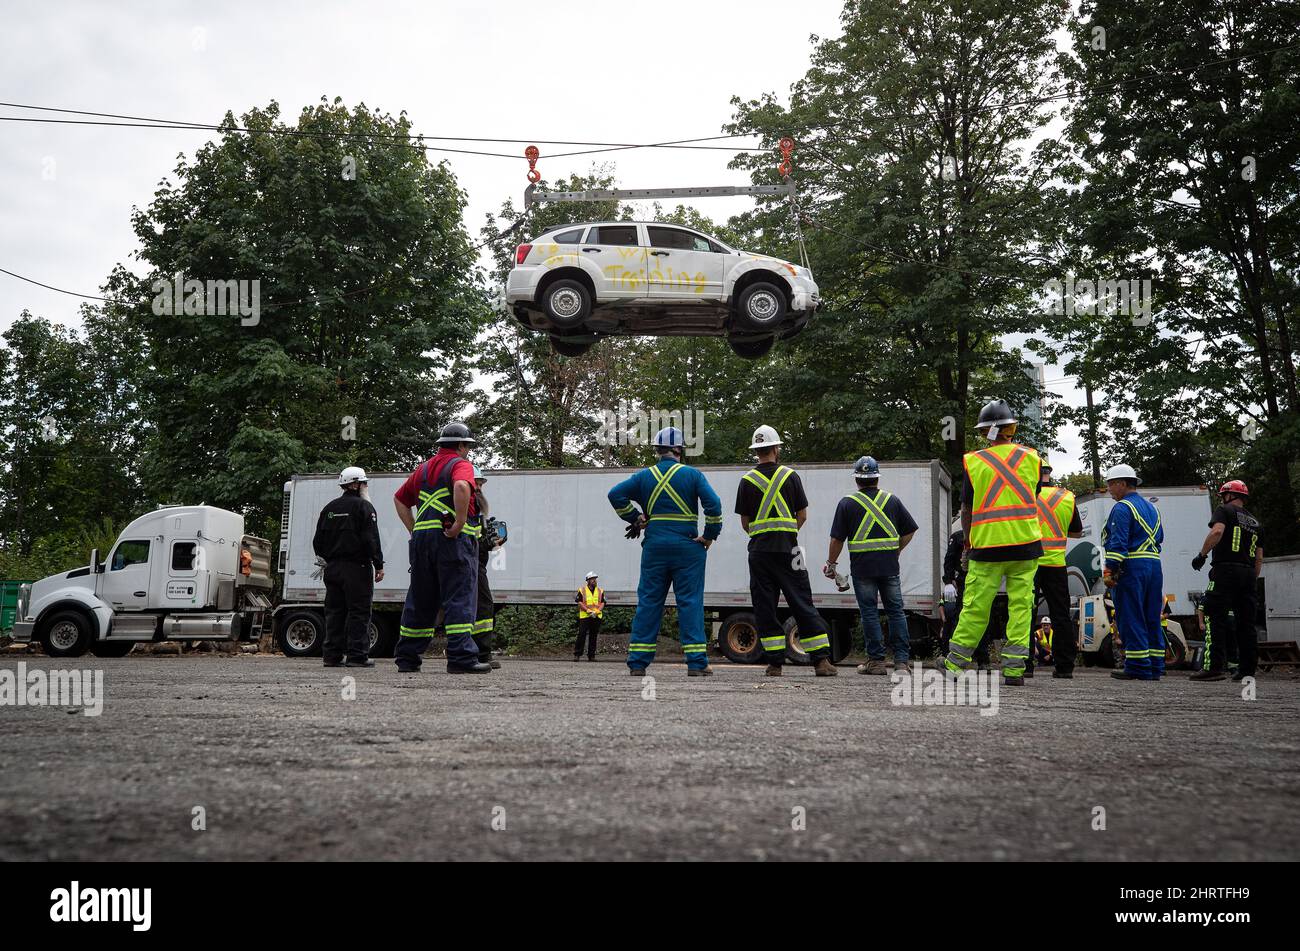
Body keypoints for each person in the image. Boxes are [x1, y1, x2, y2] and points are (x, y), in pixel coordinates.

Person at [608, 427, 722, 677]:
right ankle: (696, 663)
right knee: (690, 602)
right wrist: (710, 535)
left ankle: (637, 662)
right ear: (679, 449)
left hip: (655, 548)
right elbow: (714, 505)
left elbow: (615, 495)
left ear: (658, 450)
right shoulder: (693, 475)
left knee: (649, 601)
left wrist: (635, 517)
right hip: (688, 547)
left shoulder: (644, 476)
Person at [943, 400, 1042, 686]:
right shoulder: (1032, 458)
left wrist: (967, 545)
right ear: (1011, 429)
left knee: (976, 606)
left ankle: (955, 664)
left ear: (986, 430)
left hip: (987, 548)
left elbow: (966, 511)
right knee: (1022, 607)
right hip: (1026, 545)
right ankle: (1014, 670)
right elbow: (1030, 496)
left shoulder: (975, 462)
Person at [738, 425, 836, 677]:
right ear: (776, 448)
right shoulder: (791, 477)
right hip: (792, 550)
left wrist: (764, 535)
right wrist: (786, 532)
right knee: (802, 601)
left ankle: (774, 664)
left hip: (759, 552)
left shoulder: (746, 481)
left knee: (765, 606)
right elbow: (802, 515)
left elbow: (745, 523)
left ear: (757, 450)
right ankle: (821, 662)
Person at [392, 422, 490, 675]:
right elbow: (460, 487)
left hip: (422, 542)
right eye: (467, 447)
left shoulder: (423, 469)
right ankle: (461, 658)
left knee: (421, 598)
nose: (468, 451)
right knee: (459, 597)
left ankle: (407, 658)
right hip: (452, 543)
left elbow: (400, 499)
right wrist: (458, 523)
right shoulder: (460, 465)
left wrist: (414, 529)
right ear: (460, 445)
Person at [824, 455, 917, 675]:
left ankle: (875, 662)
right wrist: (895, 550)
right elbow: (910, 530)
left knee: (869, 613)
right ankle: (902, 663)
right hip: (889, 567)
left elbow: (837, 539)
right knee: (896, 612)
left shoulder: (847, 503)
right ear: (877, 478)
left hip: (862, 568)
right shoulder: (892, 501)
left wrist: (831, 563)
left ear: (857, 479)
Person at [1190, 480, 1263, 682]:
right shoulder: (1256, 523)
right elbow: (1259, 557)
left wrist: (1202, 555)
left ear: (1229, 495)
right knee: (1246, 624)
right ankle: (1247, 670)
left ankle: (1213, 668)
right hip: (1248, 574)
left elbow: (1217, 532)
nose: (1222, 499)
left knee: (1214, 616)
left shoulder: (1224, 511)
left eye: (1223, 495)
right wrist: (1251, 578)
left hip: (1225, 570)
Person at [312, 466, 384, 668]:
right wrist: (378, 564)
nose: (366, 486)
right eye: (364, 483)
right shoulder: (365, 507)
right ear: (355, 484)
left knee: (334, 612)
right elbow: (371, 539)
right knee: (359, 612)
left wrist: (327, 560)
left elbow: (318, 541)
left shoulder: (329, 508)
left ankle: (331, 656)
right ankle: (357, 656)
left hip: (332, 569)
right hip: (357, 568)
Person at [1100, 463, 1165, 681]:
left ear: (1122, 483)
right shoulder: (1153, 509)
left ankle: (1138, 666)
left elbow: (1118, 543)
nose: (1109, 488)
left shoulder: (1122, 508)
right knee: (1151, 617)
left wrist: (1110, 570)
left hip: (1132, 567)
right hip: (1154, 566)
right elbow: (1159, 539)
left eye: (1110, 484)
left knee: (1131, 616)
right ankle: (1156, 666)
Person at [1026, 455, 1083, 678]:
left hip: (1030, 563)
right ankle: (1065, 667)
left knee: (1025, 614)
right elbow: (1077, 532)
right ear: (1050, 473)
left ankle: (1024, 665)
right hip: (1057, 564)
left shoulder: (1028, 495)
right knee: (1061, 615)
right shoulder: (1067, 497)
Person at [472, 466, 503, 670]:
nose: (481, 487)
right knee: (483, 607)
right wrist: (485, 543)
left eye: (481, 484)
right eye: (478, 483)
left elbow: (476, 539)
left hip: (475, 564)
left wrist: (492, 542)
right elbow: (467, 539)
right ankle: (481, 655)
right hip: (471, 566)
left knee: (476, 608)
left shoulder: (477, 506)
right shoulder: (470, 504)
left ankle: (474, 652)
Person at [573, 571, 605, 661]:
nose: (595, 581)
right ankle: (577, 654)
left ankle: (591, 656)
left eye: (595, 579)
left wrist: (597, 611)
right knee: (581, 634)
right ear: (588, 580)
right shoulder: (582, 590)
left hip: (596, 616)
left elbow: (603, 603)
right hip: (585, 616)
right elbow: (579, 603)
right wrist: (588, 611)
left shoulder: (600, 591)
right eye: (592, 579)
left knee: (593, 636)